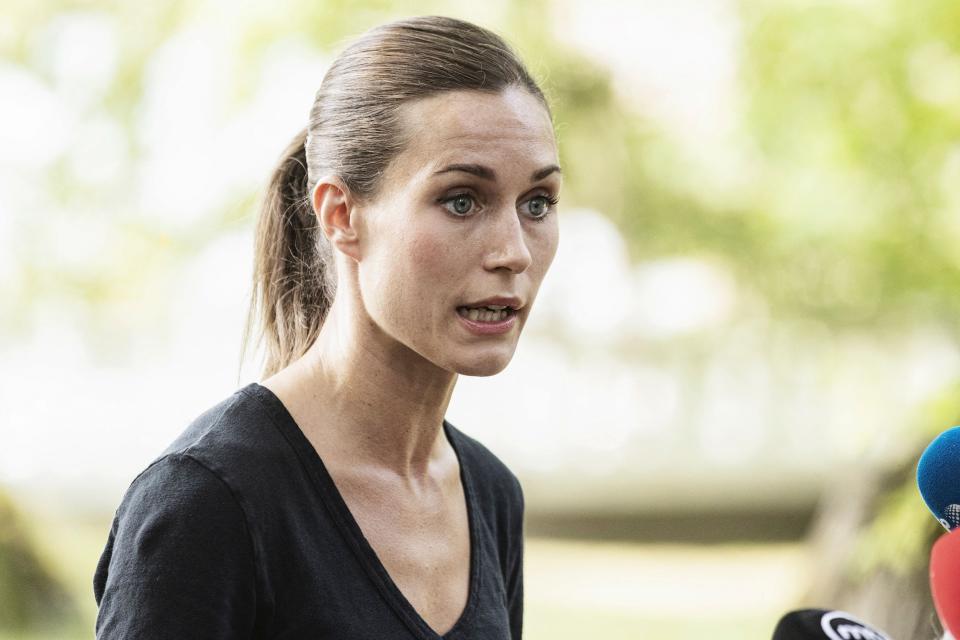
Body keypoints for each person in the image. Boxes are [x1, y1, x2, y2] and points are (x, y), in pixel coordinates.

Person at [93, 14, 561, 640]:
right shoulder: (208, 503)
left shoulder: (490, 494)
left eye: (537, 204)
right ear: (341, 214)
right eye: (461, 201)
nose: (514, 252)